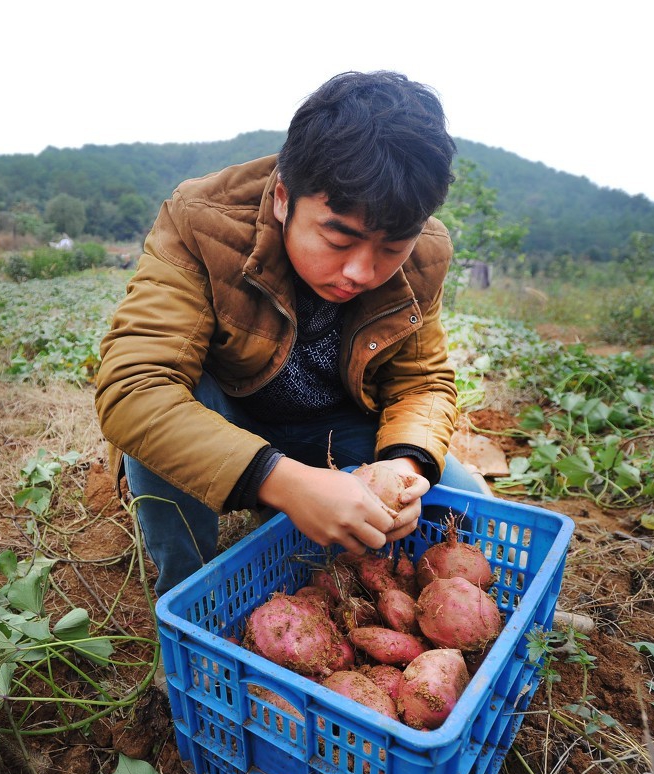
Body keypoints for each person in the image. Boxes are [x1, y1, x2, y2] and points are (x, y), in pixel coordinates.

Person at [95, 70, 487, 598]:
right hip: (233, 415)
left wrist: (406, 462)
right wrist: (281, 481)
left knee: (467, 504)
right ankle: (189, 600)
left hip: (334, 425)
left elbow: (422, 383)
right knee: (166, 418)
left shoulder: (426, 253)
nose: (361, 272)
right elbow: (135, 389)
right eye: (339, 237)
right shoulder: (202, 221)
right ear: (284, 197)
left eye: (392, 247)